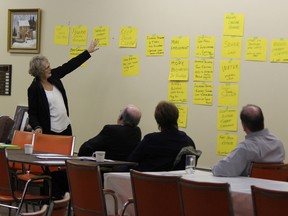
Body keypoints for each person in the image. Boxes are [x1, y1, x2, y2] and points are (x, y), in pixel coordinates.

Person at [27, 39, 99, 135]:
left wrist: (87, 52)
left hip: (65, 127)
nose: (50, 69)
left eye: (49, 66)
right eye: (47, 68)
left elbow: (69, 66)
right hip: (50, 131)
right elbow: (32, 113)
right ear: (40, 71)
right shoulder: (34, 88)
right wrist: (37, 126)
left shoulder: (54, 75)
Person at [212, 104, 285, 177]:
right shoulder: (278, 143)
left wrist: (213, 168)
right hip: (276, 187)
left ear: (244, 126)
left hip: (253, 187)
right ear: (262, 121)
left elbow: (221, 170)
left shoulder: (245, 148)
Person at [127, 101, 197, 171]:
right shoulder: (188, 142)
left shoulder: (150, 140)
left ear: (157, 119)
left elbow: (131, 161)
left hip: (148, 180)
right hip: (174, 181)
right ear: (177, 117)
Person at [78, 104, 142, 161]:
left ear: (120, 118)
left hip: (107, 169)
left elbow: (86, 148)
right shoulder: (137, 132)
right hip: (126, 170)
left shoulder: (111, 129)